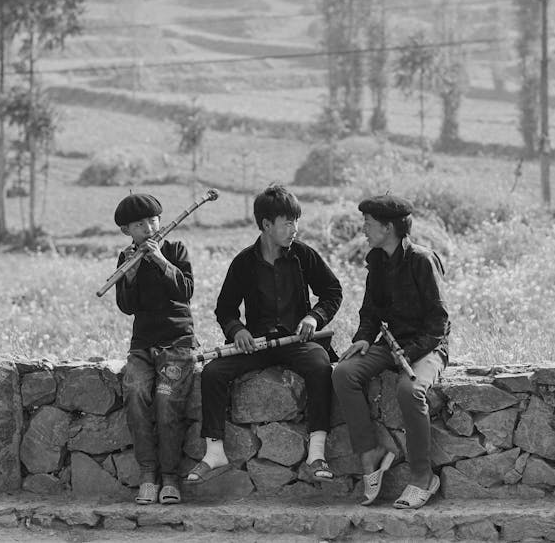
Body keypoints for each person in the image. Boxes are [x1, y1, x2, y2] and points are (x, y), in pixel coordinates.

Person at [186, 184, 342, 484]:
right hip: (255, 344)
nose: (293, 228)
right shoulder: (244, 262)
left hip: (298, 341)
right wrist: (238, 330)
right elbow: (225, 310)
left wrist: (313, 316)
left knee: (320, 365)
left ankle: (317, 452)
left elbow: (332, 293)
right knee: (213, 372)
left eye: (296, 221)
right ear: (266, 225)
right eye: (287, 222)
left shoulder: (303, 256)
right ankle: (214, 451)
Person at [332, 194, 449, 509]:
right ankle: (369, 452)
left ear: (388, 227)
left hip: (428, 347)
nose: (364, 231)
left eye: (368, 224)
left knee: (409, 389)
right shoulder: (377, 261)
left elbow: (439, 324)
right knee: (344, 373)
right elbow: (370, 312)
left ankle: (423, 477)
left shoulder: (423, 260)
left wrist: (409, 353)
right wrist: (363, 338)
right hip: (390, 344)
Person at [113, 192, 196, 506]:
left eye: (152, 221)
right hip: (142, 346)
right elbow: (126, 306)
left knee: (166, 402)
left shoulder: (175, 249)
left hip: (177, 342)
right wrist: (130, 275)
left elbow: (185, 291)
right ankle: (148, 475)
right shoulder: (126, 259)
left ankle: (171, 477)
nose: (148, 228)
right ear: (127, 232)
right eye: (139, 225)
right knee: (135, 394)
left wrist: (161, 260)